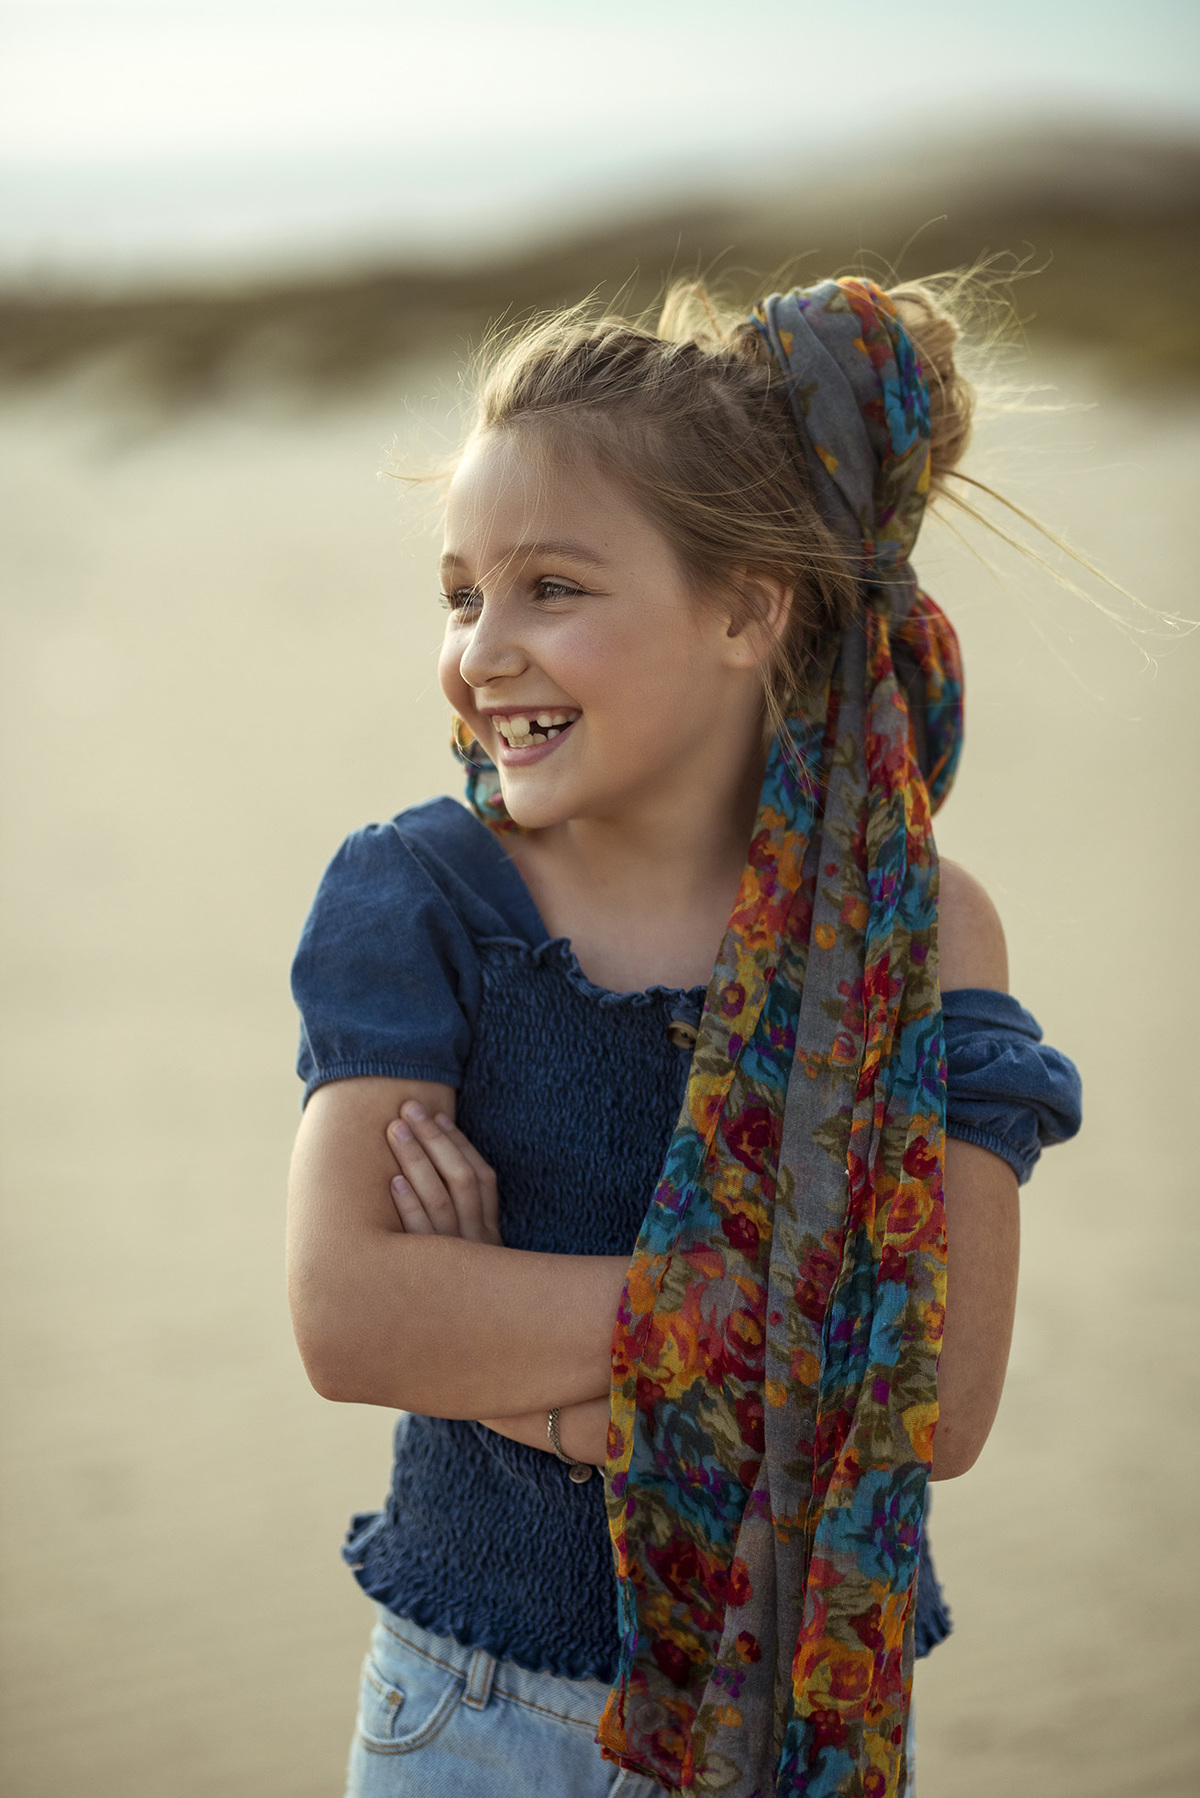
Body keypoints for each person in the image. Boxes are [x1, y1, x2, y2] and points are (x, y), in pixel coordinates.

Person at [287, 274, 1082, 1798]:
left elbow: (936, 1403)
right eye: (461, 593)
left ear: (745, 609)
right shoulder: (423, 893)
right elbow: (348, 1318)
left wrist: (519, 1368)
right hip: (474, 1716)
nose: (482, 650)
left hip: (798, 1723)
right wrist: (799, 1327)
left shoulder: (917, 929)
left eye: (553, 588)